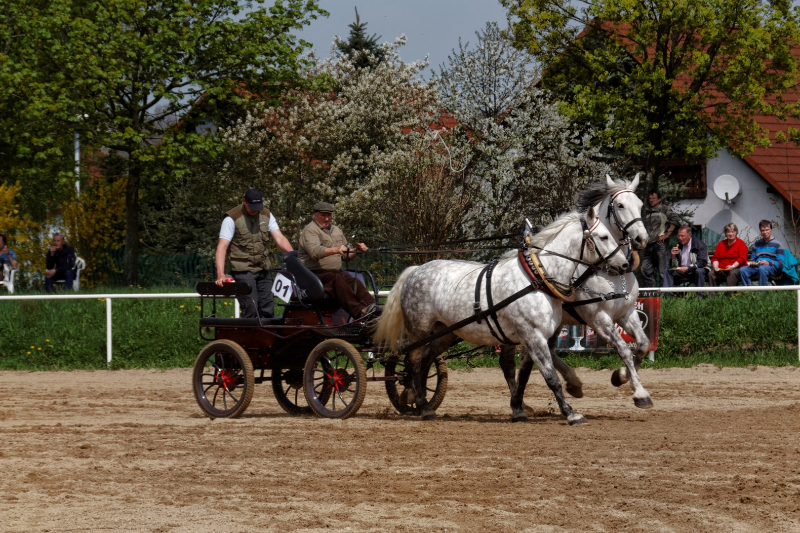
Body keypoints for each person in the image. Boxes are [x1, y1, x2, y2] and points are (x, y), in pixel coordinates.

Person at [215, 188, 293, 318]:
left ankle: (266, 331)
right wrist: (220, 274)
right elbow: (222, 248)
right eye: (252, 207)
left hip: (263, 268)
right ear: (244, 201)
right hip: (242, 271)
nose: (255, 211)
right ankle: (248, 331)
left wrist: (293, 256)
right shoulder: (232, 218)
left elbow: (279, 238)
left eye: (258, 207)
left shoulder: (266, 215)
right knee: (250, 309)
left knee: (268, 308)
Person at [297, 202, 376, 319]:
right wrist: (335, 249)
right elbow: (314, 252)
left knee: (354, 282)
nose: (327, 218)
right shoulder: (310, 230)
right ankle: (360, 312)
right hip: (313, 274)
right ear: (315, 215)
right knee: (337, 279)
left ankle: (374, 309)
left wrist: (356, 250)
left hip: (334, 272)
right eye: (323, 215)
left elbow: (345, 255)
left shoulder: (336, 230)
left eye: (329, 215)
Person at [641, 190, 681, 287]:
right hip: (648, 245)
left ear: (659, 199)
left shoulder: (664, 209)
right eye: (650, 198)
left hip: (660, 245)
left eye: (653, 198)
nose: (651, 200)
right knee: (645, 269)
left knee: (663, 271)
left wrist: (667, 234)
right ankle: (653, 292)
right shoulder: (647, 211)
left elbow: (675, 219)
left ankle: (666, 294)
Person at [739, 220, 784, 286]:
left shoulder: (778, 244)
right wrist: (753, 263)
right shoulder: (757, 244)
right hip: (758, 266)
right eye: (762, 230)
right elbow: (753, 259)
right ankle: (748, 291)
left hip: (771, 267)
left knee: (762, 268)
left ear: (771, 230)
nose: (765, 232)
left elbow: (781, 263)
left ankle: (762, 291)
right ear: (760, 231)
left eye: (767, 230)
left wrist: (768, 263)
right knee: (742, 270)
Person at [663, 225, 708, 290]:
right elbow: (673, 266)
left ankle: (700, 294)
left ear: (689, 235)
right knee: (668, 271)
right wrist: (673, 256)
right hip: (682, 271)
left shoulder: (699, 245)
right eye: (679, 236)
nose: (680, 238)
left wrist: (688, 268)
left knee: (700, 271)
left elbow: (702, 262)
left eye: (682, 236)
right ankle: (667, 294)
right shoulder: (679, 245)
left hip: (694, 270)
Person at [708, 223, 748, 288]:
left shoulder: (741, 243)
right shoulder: (721, 244)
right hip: (722, 269)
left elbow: (742, 258)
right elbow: (715, 257)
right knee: (711, 274)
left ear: (736, 233)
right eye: (728, 232)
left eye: (733, 232)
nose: (731, 234)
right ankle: (712, 294)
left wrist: (732, 266)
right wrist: (715, 267)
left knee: (732, 273)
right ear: (726, 233)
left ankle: (731, 293)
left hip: (736, 268)